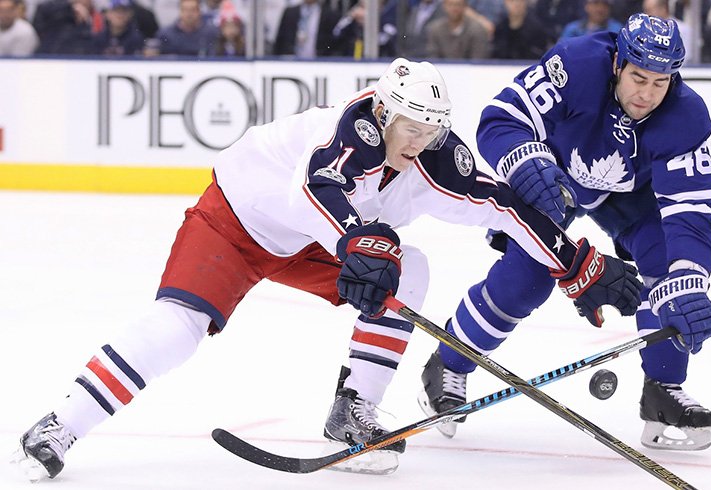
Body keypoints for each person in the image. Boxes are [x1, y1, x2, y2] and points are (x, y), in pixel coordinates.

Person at [10, 58, 642, 481]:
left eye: (430, 128)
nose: (417, 139)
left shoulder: (436, 156)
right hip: (235, 220)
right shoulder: (353, 130)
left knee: (409, 269)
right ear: (384, 111)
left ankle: (354, 411)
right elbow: (317, 186)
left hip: (317, 242)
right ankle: (62, 424)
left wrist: (578, 262)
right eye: (408, 125)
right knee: (178, 327)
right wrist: (359, 243)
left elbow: (502, 205)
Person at [417, 13, 711, 452]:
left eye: (660, 82)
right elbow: (502, 118)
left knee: (669, 267)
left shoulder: (686, 115)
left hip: (629, 195)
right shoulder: (577, 63)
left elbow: (691, 210)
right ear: (618, 62)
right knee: (527, 279)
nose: (647, 93)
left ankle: (663, 389)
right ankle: (447, 364)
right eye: (638, 77)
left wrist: (691, 279)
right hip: (554, 180)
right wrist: (525, 162)